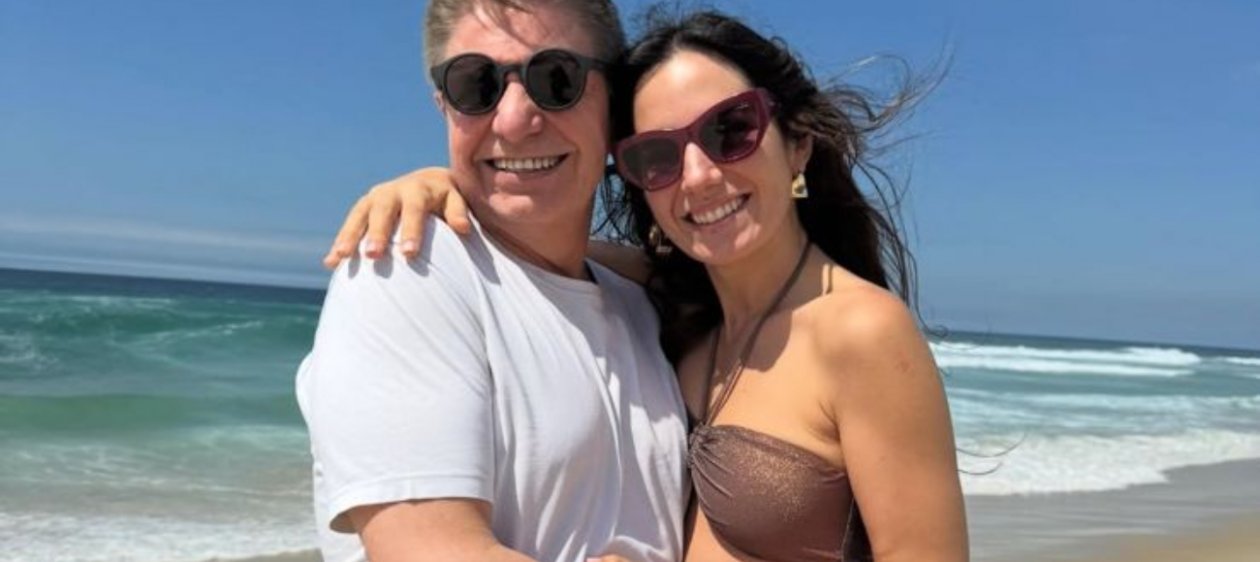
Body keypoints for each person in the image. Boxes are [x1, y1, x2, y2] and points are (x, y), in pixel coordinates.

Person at [328, 8, 969, 562]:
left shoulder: (859, 330)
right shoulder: (672, 313)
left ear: (797, 143)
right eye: (657, 155)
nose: (698, 175)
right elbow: (552, 257)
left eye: (731, 130)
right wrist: (447, 192)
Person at [295, 1, 689, 562]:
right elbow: (426, 550)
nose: (513, 120)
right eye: (475, 85)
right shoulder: (405, 269)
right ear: (443, 105)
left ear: (614, 102)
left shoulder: (641, 305)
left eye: (557, 80)